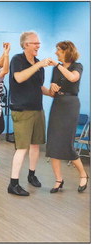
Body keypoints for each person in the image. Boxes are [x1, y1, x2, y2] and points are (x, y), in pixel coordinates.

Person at [8, 31, 52, 196]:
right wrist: (38, 66)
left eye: (39, 43)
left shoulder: (38, 63)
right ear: (26, 45)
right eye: (35, 43)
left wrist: (52, 92)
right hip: (22, 110)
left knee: (35, 145)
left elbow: (39, 87)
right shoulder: (17, 60)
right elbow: (19, 78)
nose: (38, 46)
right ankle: (13, 184)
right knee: (22, 148)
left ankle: (31, 175)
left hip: (37, 109)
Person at [46, 41, 88, 193]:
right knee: (53, 143)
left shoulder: (78, 66)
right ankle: (58, 179)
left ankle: (83, 174)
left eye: (58, 50)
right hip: (57, 104)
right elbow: (52, 93)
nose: (56, 53)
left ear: (66, 51)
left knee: (67, 143)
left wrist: (58, 66)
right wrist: (52, 87)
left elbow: (72, 78)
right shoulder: (56, 69)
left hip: (71, 105)